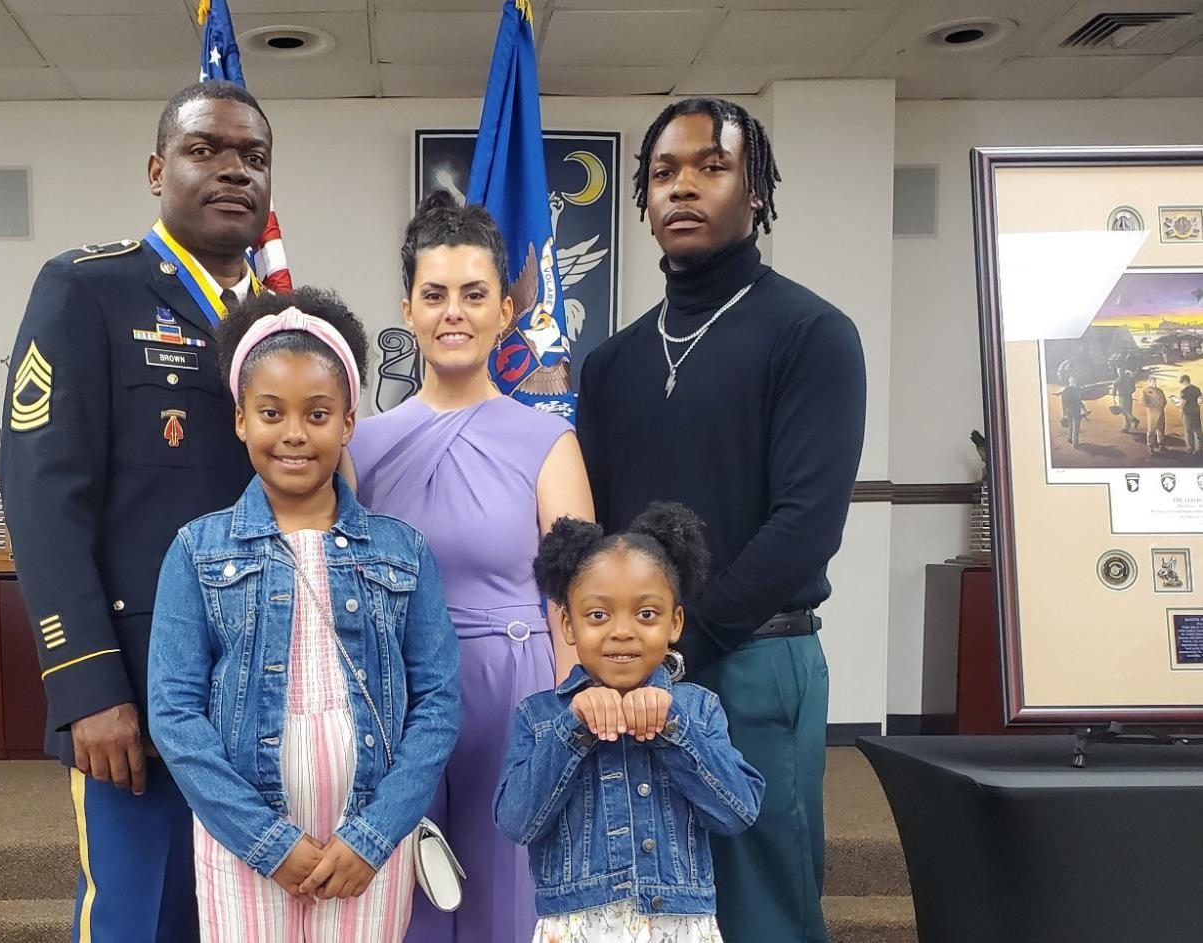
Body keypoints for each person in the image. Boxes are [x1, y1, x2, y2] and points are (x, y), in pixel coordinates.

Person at [576, 97, 866, 943]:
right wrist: (622, 652)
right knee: (642, 898)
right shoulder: (611, 363)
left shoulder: (812, 334)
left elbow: (806, 526)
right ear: (642, 197)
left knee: (762, 905)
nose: (684, 188)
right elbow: (598, 530)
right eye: (664, 173)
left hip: (754, 660)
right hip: (637, 670)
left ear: (757, 190)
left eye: (711, 166)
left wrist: (681, 642)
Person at [0, 79, 273, 942]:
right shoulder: (89, 291)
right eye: (206, 150)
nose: (233, 169)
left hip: (267, 694)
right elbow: (42, 496)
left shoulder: (279, 322)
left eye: (253, 157)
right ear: (159, 169)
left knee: (250, 918)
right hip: (140, 700)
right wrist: (87, 686)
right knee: (141, 918)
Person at [148, 288, 461, 942]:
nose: (294, 432)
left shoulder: (403, 551)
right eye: (272, 412)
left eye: (318, 413)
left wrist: (375, 835)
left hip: (368, 846)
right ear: (240, 419)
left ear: (348, 422)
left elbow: (437, 702)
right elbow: (174, 714)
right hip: (247, 844)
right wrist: (265, 842)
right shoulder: (195, 551)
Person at [347, 191, 595, 942]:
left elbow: (576, 597)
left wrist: (571, 718)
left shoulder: (548, 443)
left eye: (474, 294)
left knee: (507, 902)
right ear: (408, 309)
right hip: (396, 700)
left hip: (512, 692)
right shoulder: (359, 446)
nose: (453, 311)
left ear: (505, 312)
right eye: (435, 294)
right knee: (401, 902)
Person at [495, 503, 764, 943]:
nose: (623, 631)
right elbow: (516, 822)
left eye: (646, 614)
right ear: (567, 623)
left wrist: (674, 729)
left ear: (675, 622)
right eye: (598, 615)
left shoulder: (698, 710)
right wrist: (572, 730)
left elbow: (738, 812)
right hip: (576, 927)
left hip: (679, 925)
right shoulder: (540, 716)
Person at [1142, 378, 1168, 454]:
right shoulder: (1146, 391)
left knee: (1161, 429)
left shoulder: (1160, 390)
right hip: (1152, 413)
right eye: (1152, 382)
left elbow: (1165, 401)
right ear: (1149, 382)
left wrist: (1162, 406)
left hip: (1161, 412)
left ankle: (1161, 445)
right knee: (1151, 430)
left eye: (1155, 381)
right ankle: (1151, 447)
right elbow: (1143, 401)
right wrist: (1151, 405)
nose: (1154, 383)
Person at [1060, 382, 1088, 449]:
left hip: (1068, 410)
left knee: (1070, 424)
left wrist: (1064, 413)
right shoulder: (1075, 390)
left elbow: (1063, 403)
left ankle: (1069, 437)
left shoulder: (1065, 391)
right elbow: (1078, 401)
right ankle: (1075, 443)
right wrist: (1084, 409)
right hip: (1075, 410)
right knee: (1076, 426)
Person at [1112, 368, 1139, 433]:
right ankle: (1127, 427)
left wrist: (1114, 398)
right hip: (1129, 397)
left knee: (1125, 411)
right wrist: (1129, 392)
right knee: (1128, 411)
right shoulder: (1129, 379)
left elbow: (1114, 392)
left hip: (1122, 397)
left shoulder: (1117, 381)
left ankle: (1134, 420)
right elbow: (1134, 389)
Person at [1179, 375, 1200, 455]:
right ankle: (1199, 448)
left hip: (1187, 414)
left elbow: (1182, 404)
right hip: (1196, 412)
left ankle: (1190, 448)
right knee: (1197, 430)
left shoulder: (1184, 391)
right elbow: (1200, 400)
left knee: (1188, 431)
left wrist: (1180, 413)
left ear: (1185, 381)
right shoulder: (1196, 389)